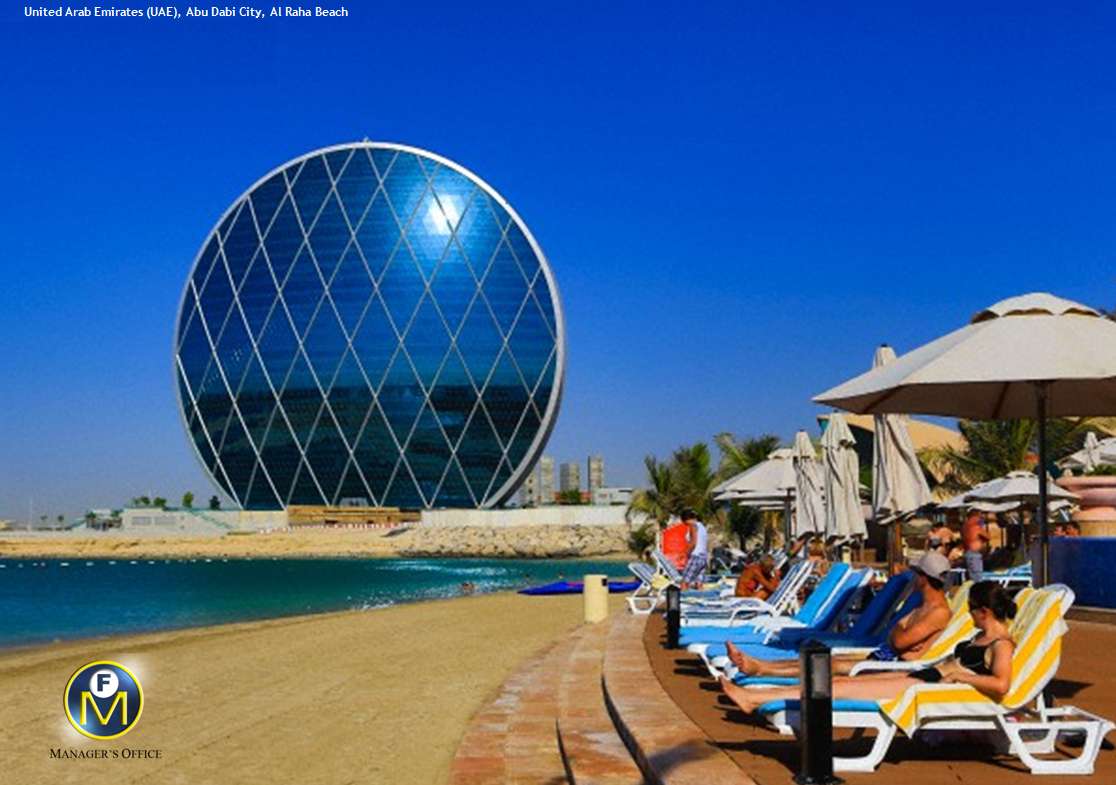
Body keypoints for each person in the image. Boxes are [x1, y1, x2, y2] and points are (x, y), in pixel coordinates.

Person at [720, 580, 1017, 713]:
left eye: (971, 608)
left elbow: (1001, 684)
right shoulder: (981, 636)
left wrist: (959, 676)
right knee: (836, 682)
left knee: (837, 688)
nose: (967, 613)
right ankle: (755, 692)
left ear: (984, 611)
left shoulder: (1001, 644)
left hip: (930, 687)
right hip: (926, 675)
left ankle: (753, 698)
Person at [725, 551, 953, 678]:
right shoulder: (921, 606)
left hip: (893, 667)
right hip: (883, 656)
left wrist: (898, 630)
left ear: (923, 578)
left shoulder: (938, 612)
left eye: (916, 573)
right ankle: (761, 666)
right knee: (823, 660)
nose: (913, 577)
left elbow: (900, 641)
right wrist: (899, 631)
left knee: (828, 665)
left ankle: (761, 669)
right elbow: (898, 638)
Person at [679, 508, 708, 590]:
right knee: (699, 583)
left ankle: (682, 597)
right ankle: (701, 596)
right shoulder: (702, 526)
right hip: (704, 558)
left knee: (684, 582)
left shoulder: (693, 526)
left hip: (696, 556)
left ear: (685, 519)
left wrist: (686, 553)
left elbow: (693, 542)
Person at [962, 509, 990, 581]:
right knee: (977, 577)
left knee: (973, 576)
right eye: (979, 516)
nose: (981, 518)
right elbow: (987, 537)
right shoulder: (976, 527)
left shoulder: (965, 526)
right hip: (974, 554)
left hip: (968, 552)